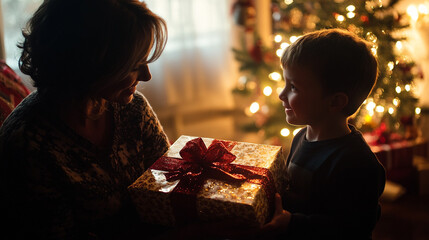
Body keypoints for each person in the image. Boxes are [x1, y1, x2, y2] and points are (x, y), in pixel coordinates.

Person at [0, 0, 170, 239]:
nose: (146, 76)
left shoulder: (135, 110)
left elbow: (171, 186)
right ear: (90, 63)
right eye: (134, 65)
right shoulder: (28, 144)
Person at [261, 28, 386, 239]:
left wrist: (292, 223)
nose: (282, 94)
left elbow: (352, 227)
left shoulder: (357, 163)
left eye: (293, 87)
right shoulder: (301, 137)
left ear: (335, 102)